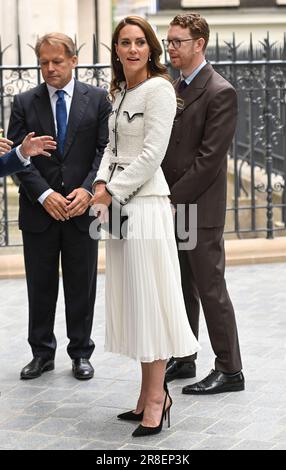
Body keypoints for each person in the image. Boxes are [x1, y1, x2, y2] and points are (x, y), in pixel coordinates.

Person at [90, 16, 200, 438]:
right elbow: (111, 149)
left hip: (146, 205)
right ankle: (145, 395)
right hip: (118, 207)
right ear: (116, 49)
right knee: (135, 300)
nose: (132, 49)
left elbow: (152, 154)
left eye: (140, 42)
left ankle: (159, 399)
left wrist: (108, 191)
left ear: (150, 48)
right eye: (125, 42)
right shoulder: (119, 92)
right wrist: (101, 183)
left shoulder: (159, 88)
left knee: (150, 302)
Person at [8, 33, 111, 381]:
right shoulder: (24, 102)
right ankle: (41, 353)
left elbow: (104, 152)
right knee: (40, 285)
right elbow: (15, 158)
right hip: (40, 212)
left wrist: (87, 191)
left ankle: (81, 352)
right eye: (44, 63)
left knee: (82, 285)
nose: (49, 69)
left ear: (73, 60)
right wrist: (44, 195)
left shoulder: (97, 100)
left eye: (57, 61)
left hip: (83, 210)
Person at [162, 13, 245, 394]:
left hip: (200, 209)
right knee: (181, 286)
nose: (170, 47)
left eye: (178, 41)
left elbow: (209, 160)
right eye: (169, 40)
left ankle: (230, 369)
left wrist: (168, 197)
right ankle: (185, 356)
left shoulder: (219, 90)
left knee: (210, 289)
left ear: (199, 44)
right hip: (176, 206)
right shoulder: (174, 86)